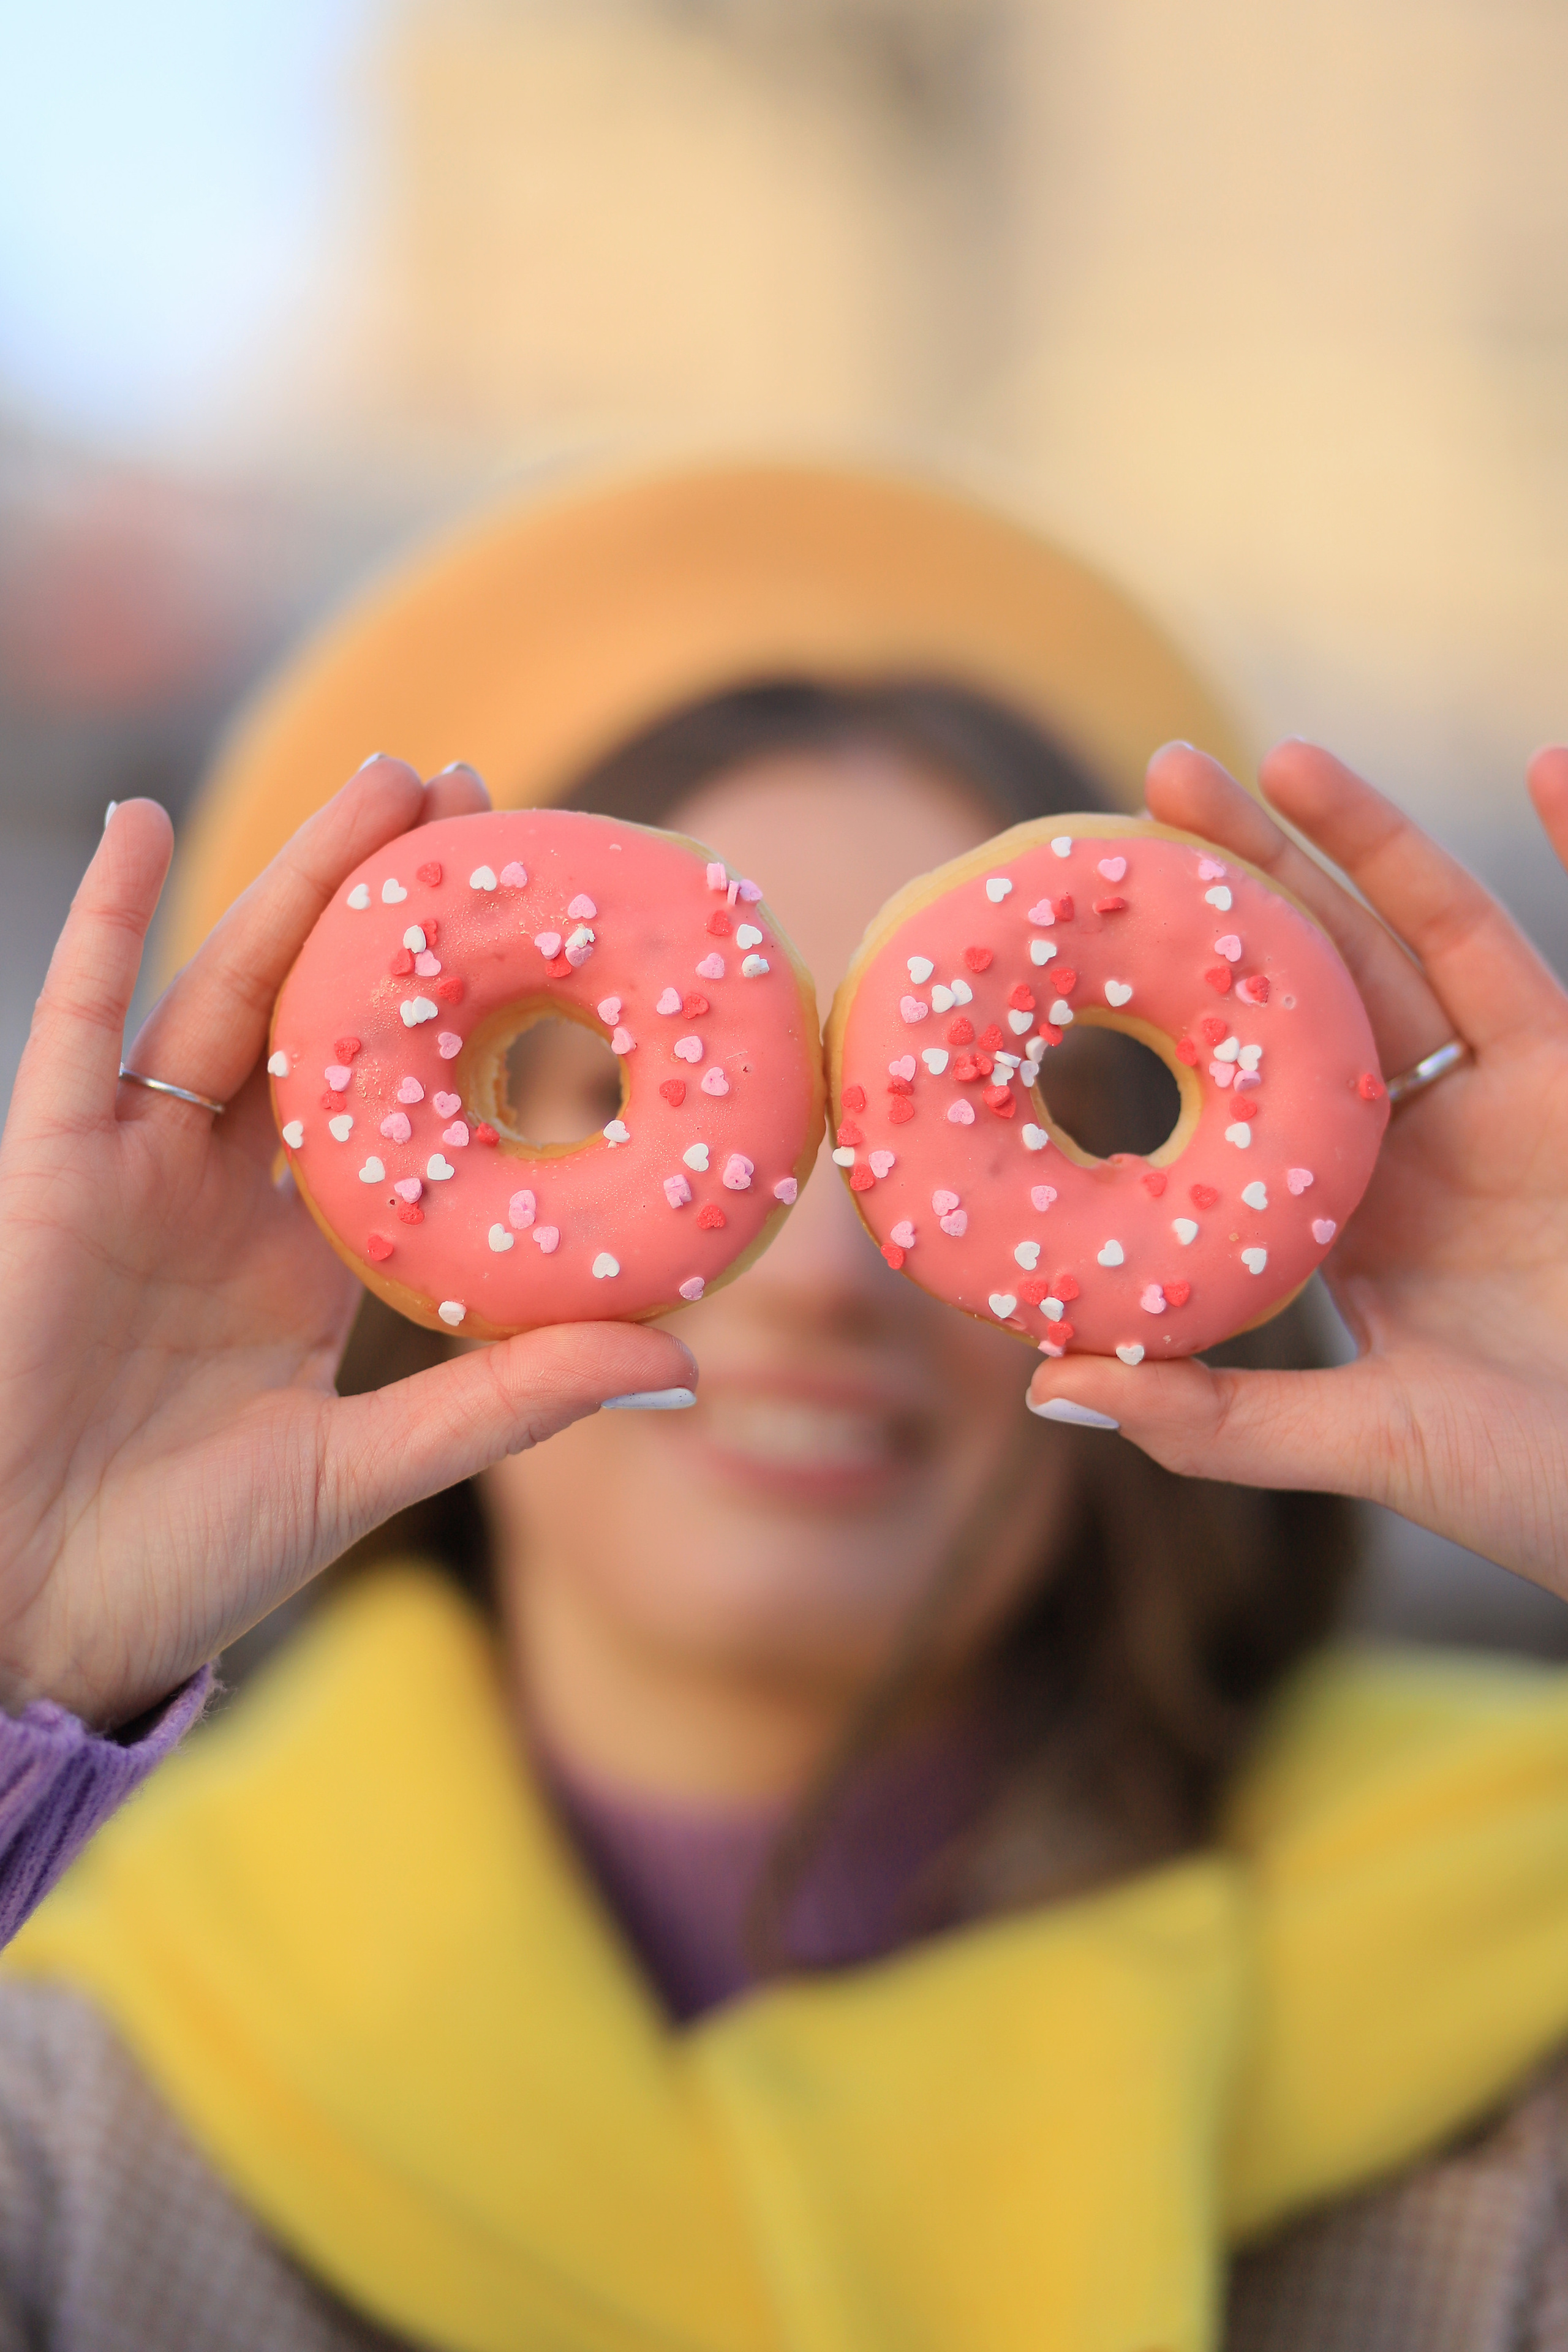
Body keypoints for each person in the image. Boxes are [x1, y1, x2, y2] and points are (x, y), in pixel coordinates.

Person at [1, 460, 1567, 2352]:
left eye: (1011, 1113)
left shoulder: (1515, 2048)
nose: (818, 1278)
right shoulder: (78, 2084)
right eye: (620, 1103)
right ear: (398, 1266)